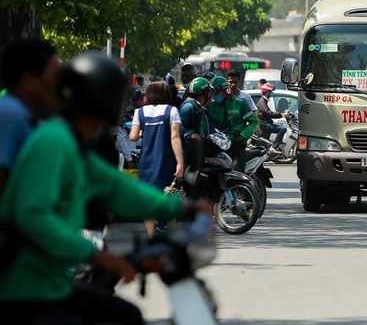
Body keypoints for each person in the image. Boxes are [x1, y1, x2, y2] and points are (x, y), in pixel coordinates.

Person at [0, 52, 211, 325]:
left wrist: (183, 206)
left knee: (126, 314)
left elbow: (118, 188)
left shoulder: (72, 142)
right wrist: (99, 257)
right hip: (26, 292)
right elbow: (32, 215)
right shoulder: (55, 141)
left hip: (51, 284)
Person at [0, 39, 60, 199]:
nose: (60, 87)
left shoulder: (20, 115)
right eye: (55, 77)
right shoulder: (10, 114)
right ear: (28, 80)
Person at [129, 80, 185, 236]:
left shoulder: (139, 112)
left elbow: (133, 137)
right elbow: (175, 137)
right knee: (169, 198)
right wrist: (180, 162)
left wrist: (142, 132)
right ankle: (171, 238)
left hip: (147, 163)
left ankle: (150, 238)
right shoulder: (171, 110)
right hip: (166, 161)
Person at [206, 76, 259, 172]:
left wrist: (243, 135)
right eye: (213, 92)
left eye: (217, 92)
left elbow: (253, 121)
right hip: (217, 146)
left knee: (237, 173)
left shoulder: (239, 103)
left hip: (236, 145)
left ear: (225, 90)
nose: (215, 95)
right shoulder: (210, 106)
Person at [179, 77, 213, 169]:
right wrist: (190, 134)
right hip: (189, 152)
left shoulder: (200, 108)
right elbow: (179, 127)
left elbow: (209, 127)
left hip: (200, 149)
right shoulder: (188, 107)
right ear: (205, 94)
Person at [256, 83, 289, 153]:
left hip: (266, 123)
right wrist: (281, 114)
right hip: (264, 125)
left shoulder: (264, 101)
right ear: (267, 92)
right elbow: (268, 113)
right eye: (271, 92)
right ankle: (273, 147)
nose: (272, 93)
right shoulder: (262, 102)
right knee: (282, 129)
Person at [114, 88, 142, 170]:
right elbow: (121, 139)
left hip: (131, 153)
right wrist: (129, 159)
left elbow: (132, 138)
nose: (142, 101)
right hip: (124, 155)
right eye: (140, 99)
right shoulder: (123, 116)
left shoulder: (131, 114)